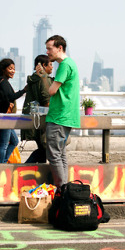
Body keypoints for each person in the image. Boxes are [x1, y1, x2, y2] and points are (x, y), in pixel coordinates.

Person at [41, 35, 80, 187]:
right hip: (67, 116)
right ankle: (64, 188)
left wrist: (44, 77)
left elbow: (51, 91)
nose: (48, 52)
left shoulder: (64, 65)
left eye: (50, 49)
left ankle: (61, 189)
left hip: (59, 116)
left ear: (60, 48)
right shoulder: (71, 63)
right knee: (61, 154)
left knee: (54, 155)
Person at [0, 58, 26, 163]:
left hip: (2, 116)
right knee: (3, 144)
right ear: (4, 69)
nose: (13, 71)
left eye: (14, 69)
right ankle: (0, 165)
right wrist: (24, 90)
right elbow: (11, 96)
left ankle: (3, 161)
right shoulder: (3, 82)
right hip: (4, 117)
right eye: (10, 68)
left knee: (14, 141)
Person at [21, 55, 54, 163]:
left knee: (42, 149)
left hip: (33, 119)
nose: (52, 67)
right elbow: (47, 100)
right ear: (43, 65)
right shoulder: (43, 79)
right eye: (50, 65)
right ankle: (24, 170)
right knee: (45, 149)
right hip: (43, 120)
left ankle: (33, 173)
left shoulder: (34, 79)